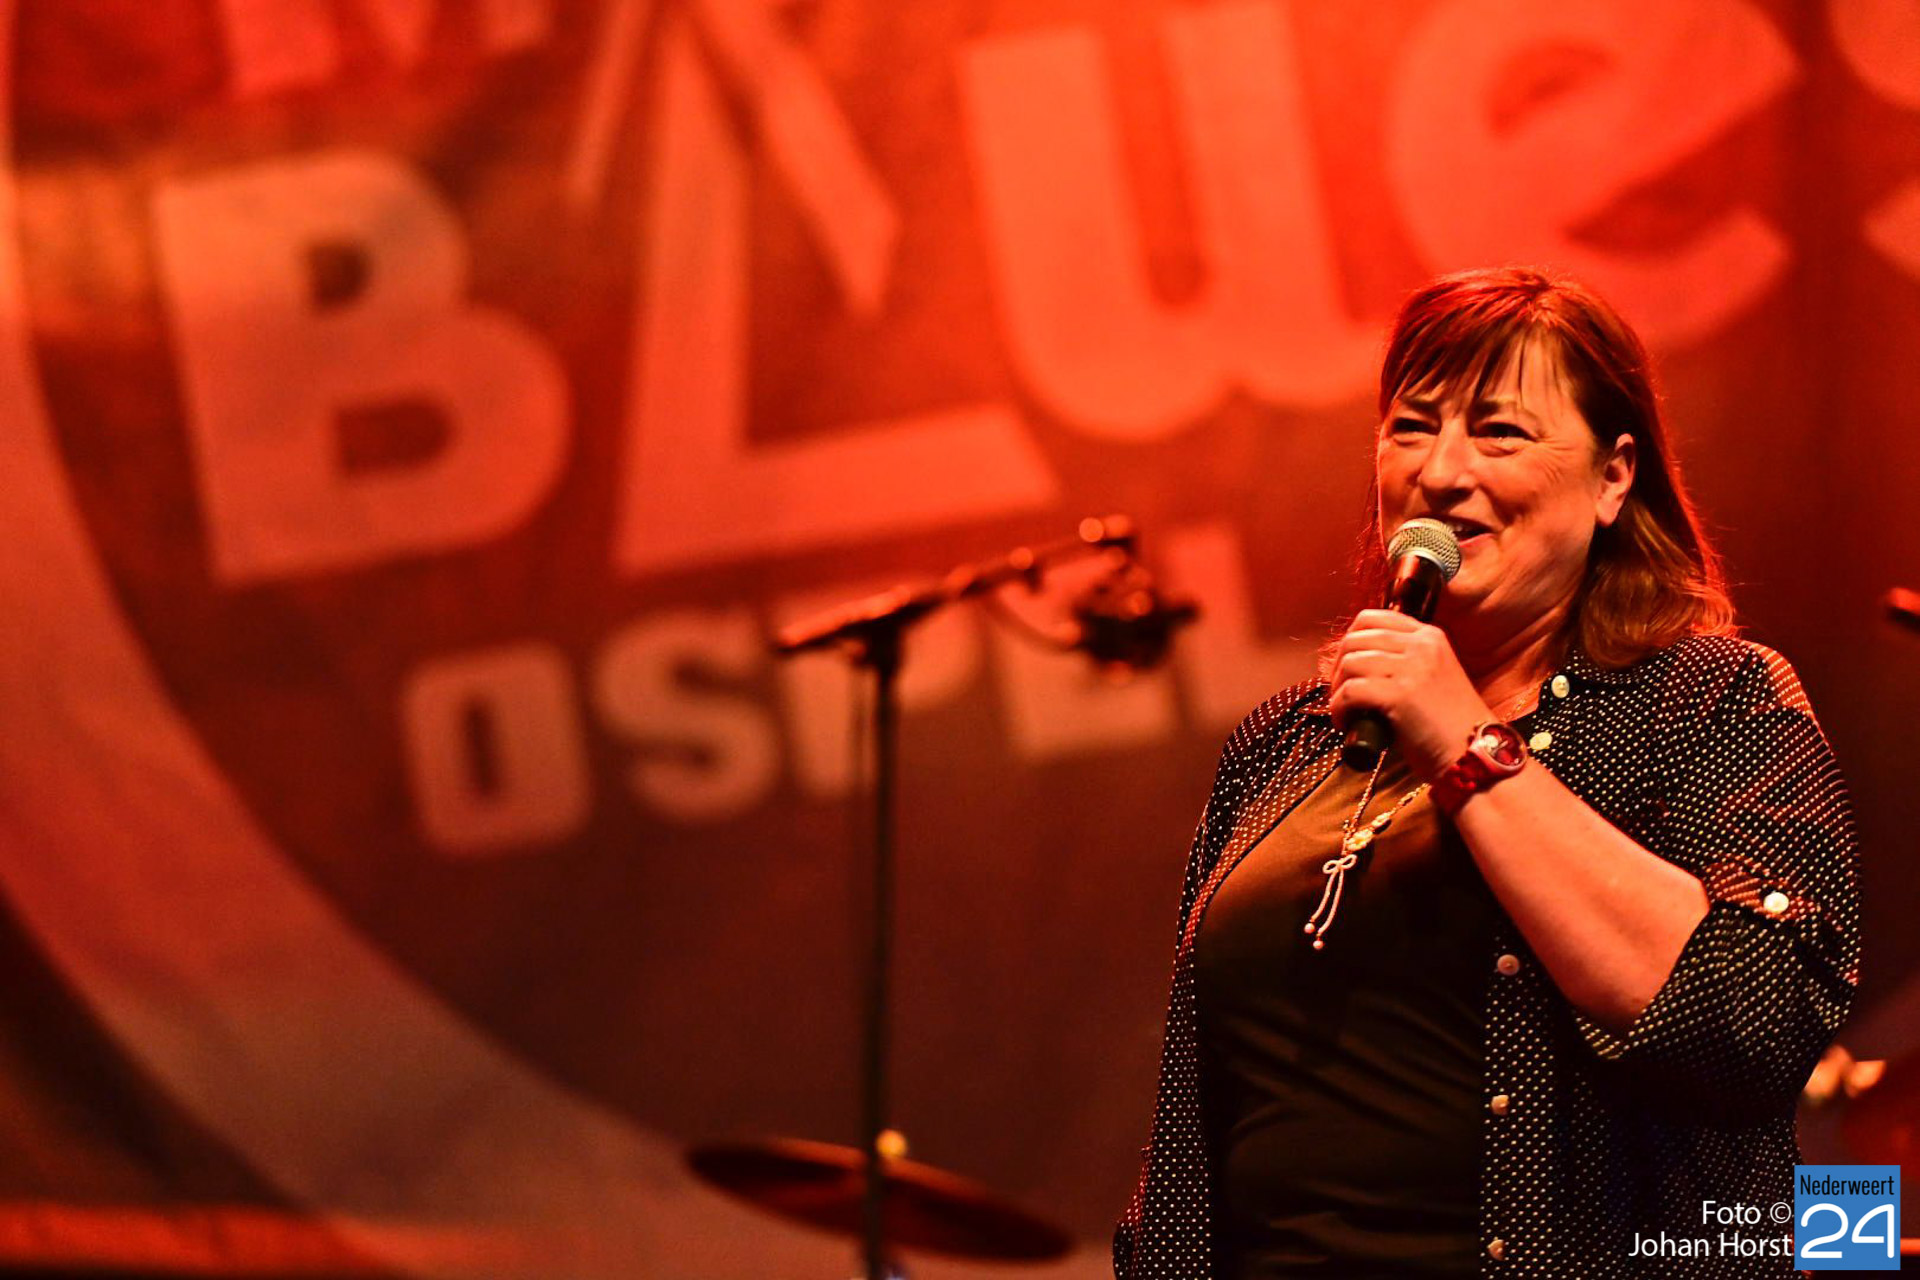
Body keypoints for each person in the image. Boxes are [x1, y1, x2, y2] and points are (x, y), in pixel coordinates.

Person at [1111, 267, 1860, 1278]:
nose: (1441, 470)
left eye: (1499, 432)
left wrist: (1464, 736)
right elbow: (1191, 1135)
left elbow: (1755, 1021)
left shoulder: (1708, 699)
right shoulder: (1282, 744)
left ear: (1613, 478)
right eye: (1412, 427)